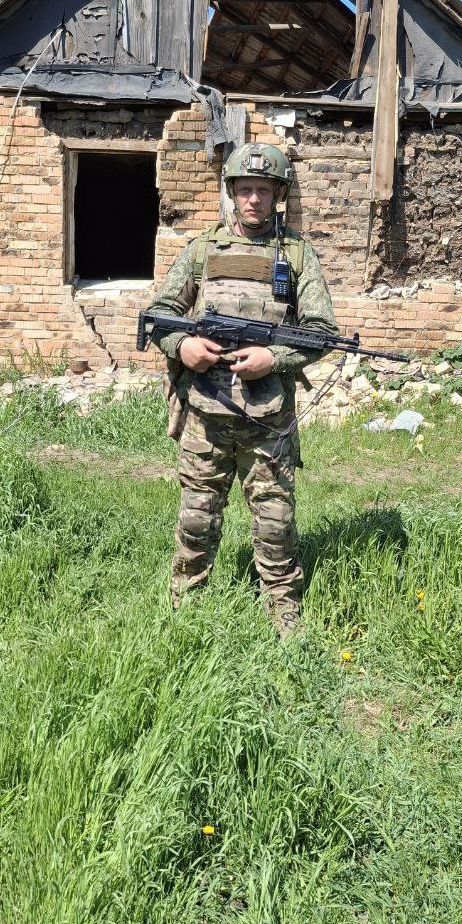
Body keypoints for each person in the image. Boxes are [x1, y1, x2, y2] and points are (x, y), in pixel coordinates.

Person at [147, 141, 339, 637]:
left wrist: (273, 358)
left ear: (279, 194)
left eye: (264, 190)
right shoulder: (201, 250)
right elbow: (159, 313)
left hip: (267, 421)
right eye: (245, 189)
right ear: (232, 193)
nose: (254, 199)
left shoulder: (297, 254)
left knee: (275, 522)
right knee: (196, 517)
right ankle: (185, 603)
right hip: (206, 415)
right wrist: (182, 345)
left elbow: (320, 332)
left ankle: (282, 606)